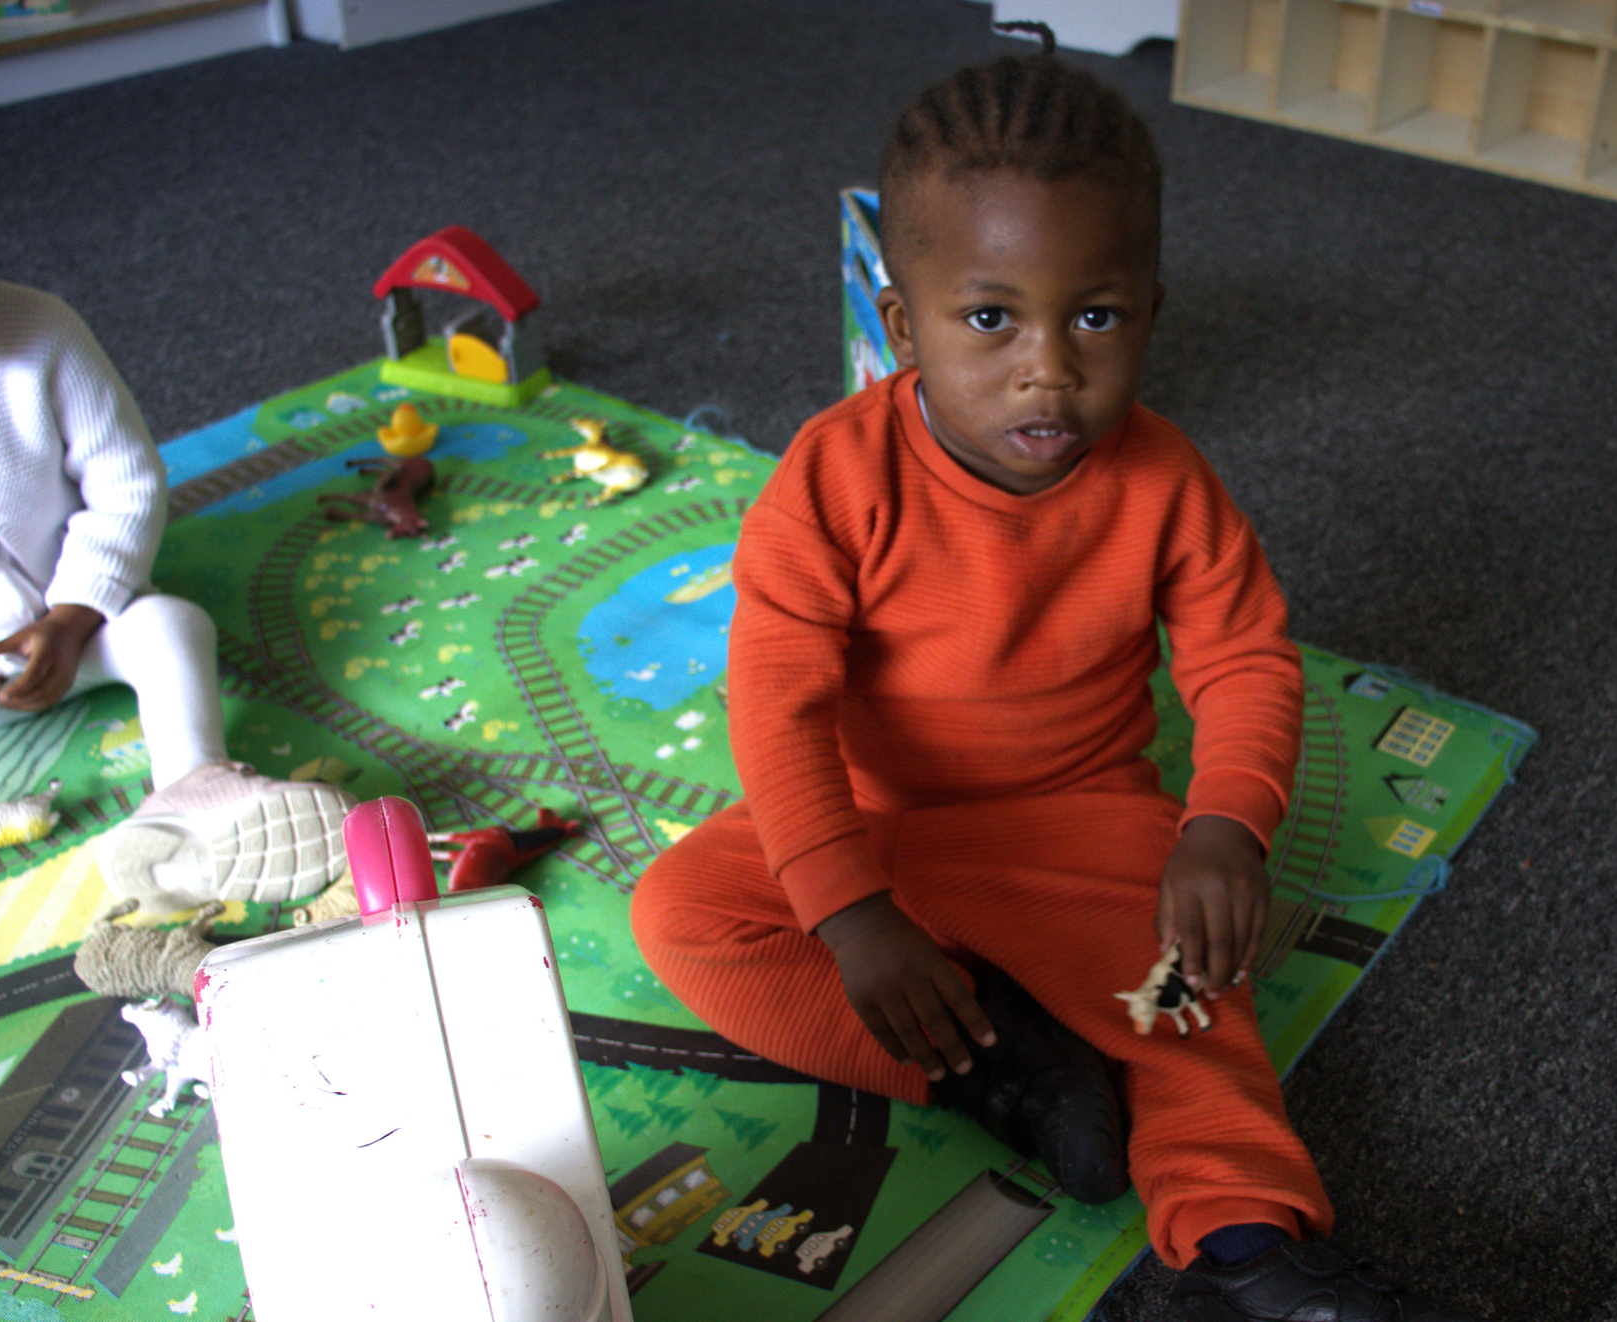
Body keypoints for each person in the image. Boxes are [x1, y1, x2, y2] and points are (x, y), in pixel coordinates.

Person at [630, 26, 1491, 1322]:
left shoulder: (1166, 476)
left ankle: (1249, 1254)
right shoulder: (833, 472)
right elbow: (780, 698)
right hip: (875, 826)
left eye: (1095, 313)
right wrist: (848, 909)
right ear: (898, 318)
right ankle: (997, 1068)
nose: (1049, 364)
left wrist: (1223, 824)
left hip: (1080, 825)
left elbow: (1246, 656)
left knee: (1195, 1011)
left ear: (1150, 308)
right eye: (990, 317)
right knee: (685, 914)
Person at [0, 49, 352, 911]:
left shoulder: (42, 332)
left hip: (75, 630)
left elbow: (126, 484)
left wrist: (71, 614)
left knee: (171, 625)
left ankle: (191, 799)